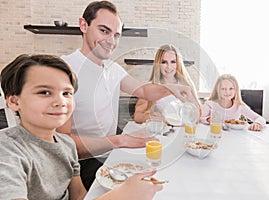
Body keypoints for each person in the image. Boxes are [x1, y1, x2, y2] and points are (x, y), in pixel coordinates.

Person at [57, 1, 195, 190]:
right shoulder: (65, 70)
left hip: (109, 154)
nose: (111, 42)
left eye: (116, 35)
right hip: (80, 164)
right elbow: (62, 143)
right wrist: (119, 140)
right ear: (83, 25)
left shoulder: (113, 68)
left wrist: (171, 88)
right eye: (104, 31)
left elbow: (144, 91)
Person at [0, 54, 162, 200]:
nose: (60, 102)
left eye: (67, 93)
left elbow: (79, 196)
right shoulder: (7, 149)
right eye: (44, 92)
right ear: (14, 101)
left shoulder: (67, 145)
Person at [134, 44, 201, 124]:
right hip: (162, 132)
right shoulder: (151, 87)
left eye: (173, 62)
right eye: (164, 62)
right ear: (158, 64)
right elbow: (137, 116)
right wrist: (149, 117)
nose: (169, 66)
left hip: (182, 132)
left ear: (178, 64)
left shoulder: (186, 86)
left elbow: (197, 116)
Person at [199, 74, 266, 131]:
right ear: (217, 90)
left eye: (231, 88)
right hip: (214, 135)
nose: (227, 92)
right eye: (223, 89)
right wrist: (208, 119)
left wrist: (258, 123)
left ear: (235, 90)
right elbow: (199, 119)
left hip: (234, 138)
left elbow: (260, 118)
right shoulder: (210, 104)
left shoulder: (239, 106)